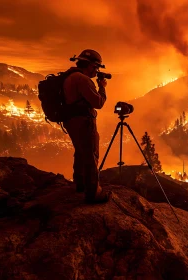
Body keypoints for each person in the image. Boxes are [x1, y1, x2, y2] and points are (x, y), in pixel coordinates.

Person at [63, 49, 110, 204]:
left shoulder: (70, 76)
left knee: (81, 152)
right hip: (83, 122)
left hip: (71, 121)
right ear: (89, 65)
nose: (96, 71)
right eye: (96, 67)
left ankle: (80, 184)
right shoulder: (82, 79)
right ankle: (93, 193)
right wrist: (102, 87)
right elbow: (98, 103)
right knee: (91, 155)